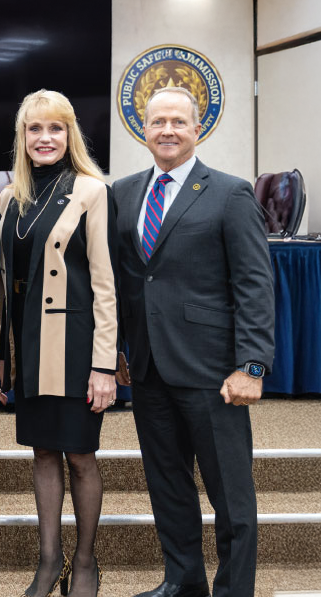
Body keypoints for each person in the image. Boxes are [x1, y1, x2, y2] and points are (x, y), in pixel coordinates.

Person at [113, 86, 274, 597]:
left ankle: (233, 590)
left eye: (178, 122)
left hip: (213, 371)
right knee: (168, 486)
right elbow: (122, 281)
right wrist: (117, 348)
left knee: (231, 495)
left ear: (197, 129)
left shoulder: (229, 192)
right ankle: (183, 582)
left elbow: (254, 283)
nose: (167, 130)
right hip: (148, 369)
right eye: (157, 121)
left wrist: (251, 365)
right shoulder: (124, 192)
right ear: (143, 128)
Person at [0, 89, 118, 597]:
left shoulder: (91, 190)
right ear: (22, 137)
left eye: (55, 128)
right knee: (42, 452)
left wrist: (104, 365)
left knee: (80, 454)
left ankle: (84, 562)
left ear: (70, 135)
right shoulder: (8, 197)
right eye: (34, 129)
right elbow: (0, 284)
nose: (45, 138)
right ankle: (49, 561)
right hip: (28, 346)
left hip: (77, 347)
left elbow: (105, 284)